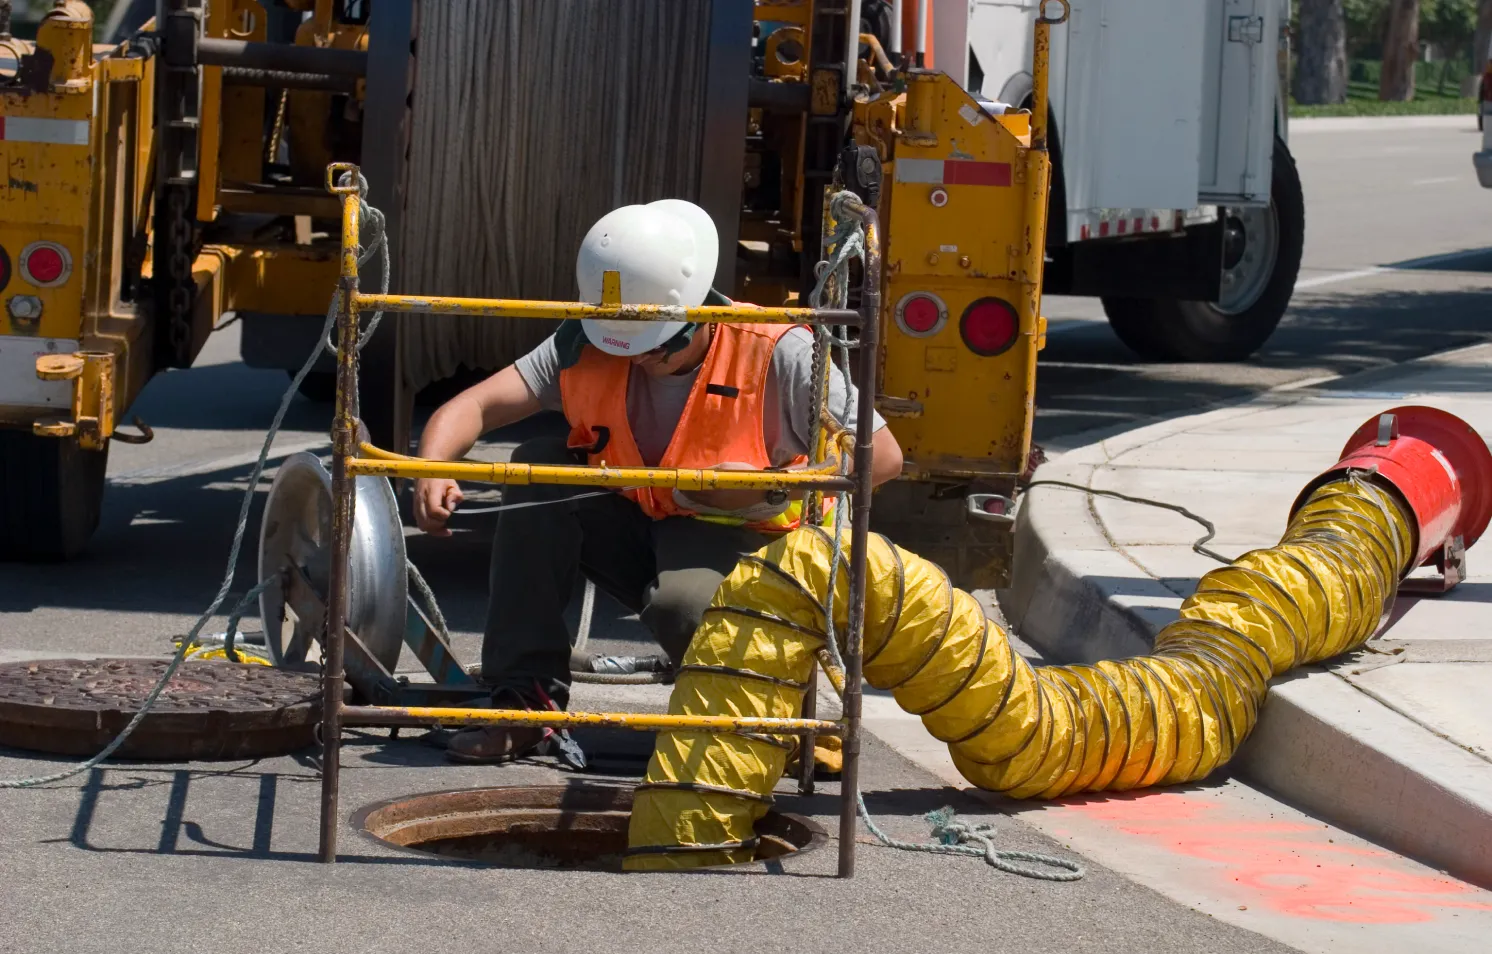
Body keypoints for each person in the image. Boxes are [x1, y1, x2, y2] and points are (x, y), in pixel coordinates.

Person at [413, 198, 903, 764]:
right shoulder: (589, 340)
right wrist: (431, 467)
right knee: (535, 472)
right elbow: (472, 406)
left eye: (655, 346)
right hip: (634, 521)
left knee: (682, 609)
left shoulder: (777, 348)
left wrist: (772, 485)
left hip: (737, 537)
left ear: (698, 312)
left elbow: (884, 456)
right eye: (625, 346)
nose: (639, 360)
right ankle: (525, 705)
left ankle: (766, 724)